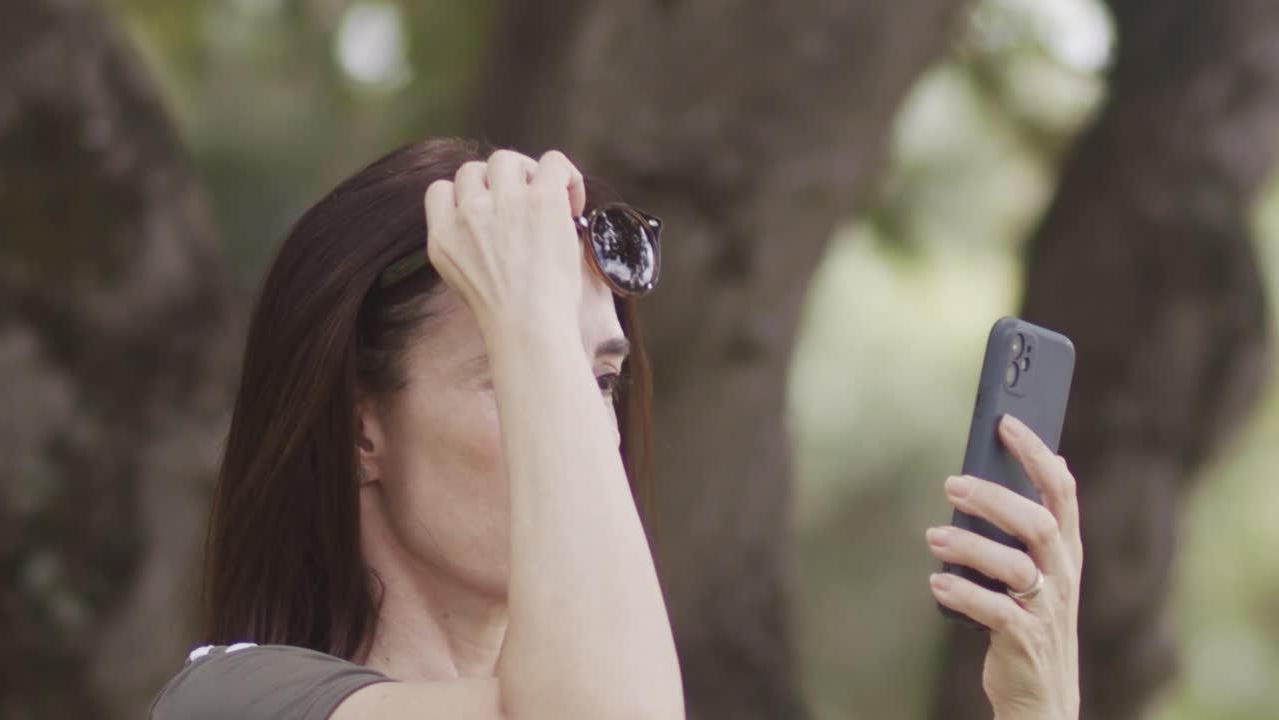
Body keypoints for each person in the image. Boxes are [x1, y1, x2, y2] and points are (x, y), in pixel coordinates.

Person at [148, 137, 1082, 720]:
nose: (589, 430)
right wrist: (533, 323)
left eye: (599, 378)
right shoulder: (234, 700)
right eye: (521, 374)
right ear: (361, 430)